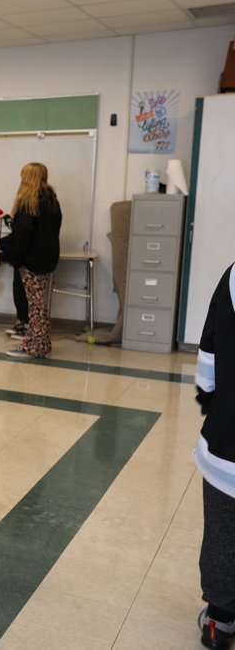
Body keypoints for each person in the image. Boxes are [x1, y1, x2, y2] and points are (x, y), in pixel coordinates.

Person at [193, 263, 235, 650]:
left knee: (223, 530)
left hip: (229, 442)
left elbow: (210, 347)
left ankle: (220, 621)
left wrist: (208, 394)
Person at [0, 163, 62, 358]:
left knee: (36, 306)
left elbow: (22, 233)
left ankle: (34, 348)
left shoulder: (28, 202)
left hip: (32, 260)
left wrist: (15, 258)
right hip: (48, 258)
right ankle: (42, 344)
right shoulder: (52, 200)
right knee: (38, 303)